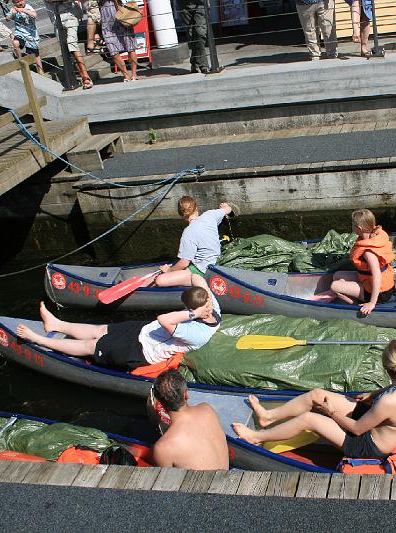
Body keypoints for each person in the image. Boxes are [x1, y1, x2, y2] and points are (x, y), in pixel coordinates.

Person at [233, 340, 396, 459]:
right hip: (373, 420)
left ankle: (256, 437)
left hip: (368, 444)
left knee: (309, 419)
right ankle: (268, 417)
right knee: (317, 394)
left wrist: (330, 411)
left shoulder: (387, 402)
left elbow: (356, 429)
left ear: (386, 368)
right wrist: (372, 394)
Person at [15, 283, 220, 371]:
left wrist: (194, 313)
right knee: (101, 329)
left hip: (142, 351)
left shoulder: (197, 333)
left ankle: (39, 340)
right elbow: (198, 279)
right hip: (145, 331)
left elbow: (164, 319)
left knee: (92, 345)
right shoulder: (212, 304)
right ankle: (57, 323)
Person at [320, 209, 395, 317]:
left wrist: (372, 303)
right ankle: (351, 292)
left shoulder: (368, 252)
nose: (352, 226)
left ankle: (356, 307)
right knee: (337, 275)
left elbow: (377, 276)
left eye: (353, 224)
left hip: (380, 292)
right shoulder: (375, 235)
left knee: (334, 286)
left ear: (359, 228)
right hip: (370, 281)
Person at [151, 369, 229, 470]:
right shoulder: (207, 409)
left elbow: (165, 483)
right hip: (227, 480)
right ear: (186, 394)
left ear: (160, 403)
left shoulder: (163, 448)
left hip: (202, 485)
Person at [153, 196, 234, 287]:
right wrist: (224, 206)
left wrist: (169, 270)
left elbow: (184, 263)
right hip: (218, 263)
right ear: (196, 207)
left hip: (202, 271)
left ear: (181, 214)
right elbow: (228, 209)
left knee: (160, 280)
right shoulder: (210, 215)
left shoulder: (188, 232)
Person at [47, 0, 92, 88]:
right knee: (66, 51)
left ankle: (86, 77)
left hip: (71, 17)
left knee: (72, 45)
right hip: (57, 21)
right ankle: (79, 77)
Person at [98, 0, 137, 82]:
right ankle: (126, 74)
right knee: (113, 50)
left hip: (122, 14)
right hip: (106, 20)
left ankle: (134, 74)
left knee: (130, 47)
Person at [6, 0, 44, 75]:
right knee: (15, 43)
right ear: (14, 3)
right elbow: (7, 19)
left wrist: (23, 10)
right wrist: (13, 14)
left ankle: (40, 71)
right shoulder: (13, 9)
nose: (20, 3)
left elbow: (34, 15)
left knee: (36, 55)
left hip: (31, 35)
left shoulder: (28, 7)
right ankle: (20, 61)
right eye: (17, 2)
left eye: (21, 1)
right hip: (20, 33)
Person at [179, 0, 210, 73]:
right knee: (191, 36)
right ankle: (198, 65)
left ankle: (200, 64)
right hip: (185, 5)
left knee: (200, 33)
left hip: (201, 4)